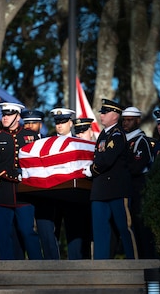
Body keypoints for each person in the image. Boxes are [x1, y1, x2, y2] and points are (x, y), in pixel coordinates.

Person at [0, 102, 42, 260]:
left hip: (25, 194)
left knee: (27, 231)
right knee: (4, 235)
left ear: (17, 117)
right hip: (3, 194)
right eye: (3, 114)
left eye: (8, 114)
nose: (4, 117)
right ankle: (7, 271)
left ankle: (39, 266)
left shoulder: (31, 136)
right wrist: (16, 176)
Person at [82, 98, 137, 259]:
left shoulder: (118, 134)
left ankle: (134, 261)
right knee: (99, 231)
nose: (102, 115)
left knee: (124, 228)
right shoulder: (104, 135)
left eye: (105, 112)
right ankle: (100, 264)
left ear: (115, 115)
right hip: (101, 190)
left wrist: (92, 170)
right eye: (102, 112)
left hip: (117, 190)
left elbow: (107, 159)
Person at [50, 107, 91, 259]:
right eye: (57, 122)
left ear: (70, 123)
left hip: (73, 194)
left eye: (63, 122)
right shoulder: (47, 143)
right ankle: (52, 267)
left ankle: (77, 265)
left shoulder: (79, 143)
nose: (59, 125)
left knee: (75, 232)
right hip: (53, 193)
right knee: (52, 232)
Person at [21, 109, 60, 260]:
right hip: (26, 192)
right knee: (25, 230)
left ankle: (53, 266)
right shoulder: (18, 141)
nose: (29, 126)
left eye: (33, 123)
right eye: (27, 122)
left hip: (45, 193)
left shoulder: (47, 143)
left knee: (46, 231)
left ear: (40, 124)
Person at [121, 106, 156, 258]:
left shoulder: (142, 141)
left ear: (138, 120)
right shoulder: (123, 140)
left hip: (139, 188)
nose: (125, 123)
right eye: (124, 120)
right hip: (127, 187)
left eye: (129, 120)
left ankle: (146, 259)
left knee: (141, 226)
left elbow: (137, 166)